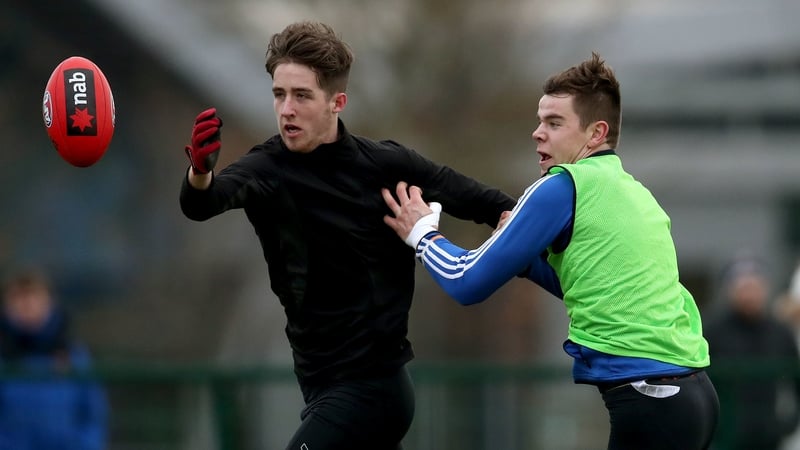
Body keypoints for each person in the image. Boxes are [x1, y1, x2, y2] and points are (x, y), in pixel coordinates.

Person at [179, 21, 516, 450]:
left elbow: (494, 206)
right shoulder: (265, 170)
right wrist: (201, 171)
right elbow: (201, 203)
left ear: (337, 102)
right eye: (279, 95)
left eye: (302, 96)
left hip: (373, 391)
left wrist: (553, 234)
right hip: (320, 388)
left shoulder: (386, 165)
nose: (286, 109)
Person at [382, 52, 719, 450]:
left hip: (651, 401)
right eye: (540, 120)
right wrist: (522, 258)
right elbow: (588, 288)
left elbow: (466, 282)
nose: (537, 133)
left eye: (554, 123)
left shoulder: (562, 184)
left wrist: (422, 235)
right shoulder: (633, 191)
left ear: (596, 134)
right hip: (694, 396)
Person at [0, 268, 108, 450]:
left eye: (34, 298)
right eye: (18, 299)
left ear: (49, 302)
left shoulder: (74, 355)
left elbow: (94, 415)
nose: (27, 305)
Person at [704, 255, 800, 450]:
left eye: (755, 287)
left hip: (769, 436)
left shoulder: (780, 332)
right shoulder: (712, 330)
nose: (749, 295)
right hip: (725, 437)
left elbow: (795, 379)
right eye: (743, 288)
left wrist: (789, 423)